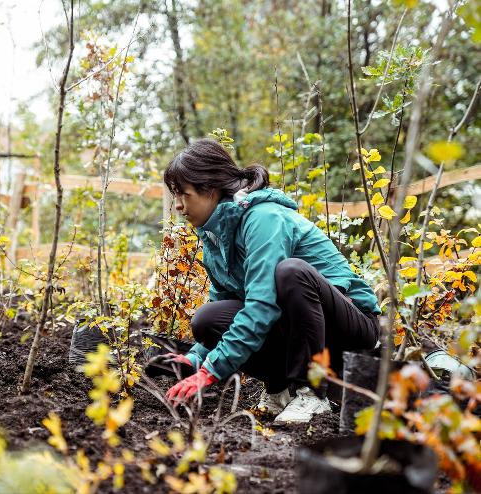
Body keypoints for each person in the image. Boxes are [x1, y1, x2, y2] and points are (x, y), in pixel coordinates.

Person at [159, 139, 381, 424]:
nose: (178, 206)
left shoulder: (263, 218)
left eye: (184, 195)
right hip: (300, 332)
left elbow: (262, 305)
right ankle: (281, 389)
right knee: (208, 319)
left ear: (210, 189)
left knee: (290, 273)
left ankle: (312, 393)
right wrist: (195, 358)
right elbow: (225, 305)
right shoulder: (215, 236)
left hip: (349, 329)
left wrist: (211, 372)